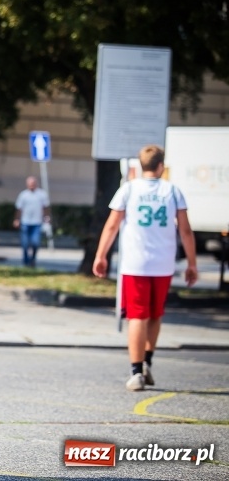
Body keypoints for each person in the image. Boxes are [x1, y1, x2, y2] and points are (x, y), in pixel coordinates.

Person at [93, 144, 198, 392]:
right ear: (161, 166)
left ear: (141, 166)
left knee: (137, 316)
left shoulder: (128, 190)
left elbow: (111, 226)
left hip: (135, 263)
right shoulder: (173, 191)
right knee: (155, 314)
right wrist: (192, 263)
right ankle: (148, 361)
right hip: (163, 264)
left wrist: (101, 255)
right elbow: (185, 230)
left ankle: (136, 371)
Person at [13, 176, 50, 267]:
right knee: (25, 244)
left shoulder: (42, 194)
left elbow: (46, 207)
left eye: (33, 184)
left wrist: (47, 217)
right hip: (25, 222)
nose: (31, 185)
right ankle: (26, 262)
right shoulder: (23, 195)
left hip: (37, 223)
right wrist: (17, 219)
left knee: (35, 243)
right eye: (30, 184)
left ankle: (32, 259)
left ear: (36, 184)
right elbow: (19, 209)